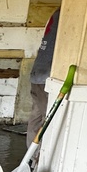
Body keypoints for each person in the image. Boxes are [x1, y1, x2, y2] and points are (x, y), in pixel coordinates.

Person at [27, 8, 59, 144]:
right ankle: (37, 158)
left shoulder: (56, 14)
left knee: (37, 117)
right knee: (48, 119)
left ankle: (30, 159)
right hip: (47, 77)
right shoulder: (66, 15)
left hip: (39, 74)